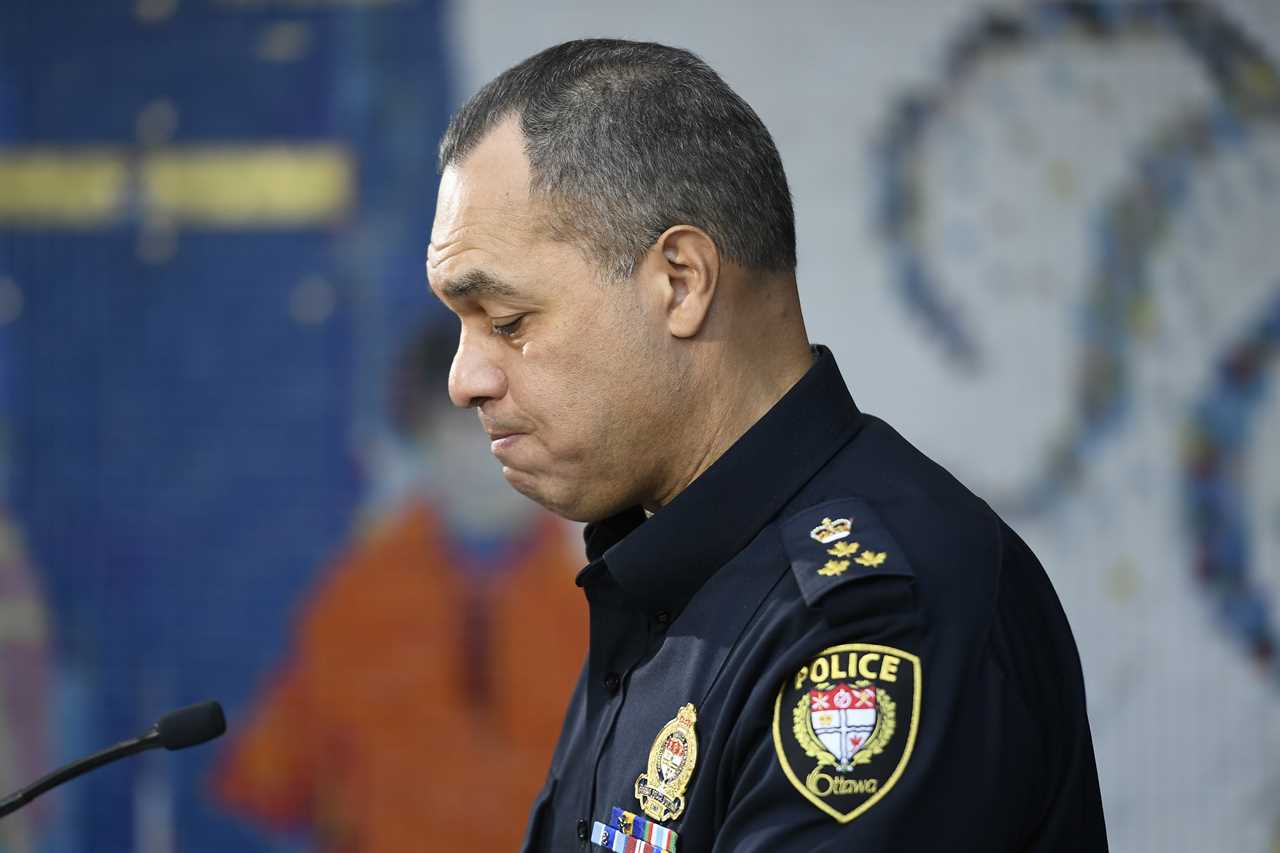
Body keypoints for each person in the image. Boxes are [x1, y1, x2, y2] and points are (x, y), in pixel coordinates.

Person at [426, 38, 1107, 853]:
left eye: (507, 321)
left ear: (680, 280)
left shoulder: (873, 623)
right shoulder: (664, 571)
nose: (467, 378)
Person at [213, 323, 587, 851]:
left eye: (507, 432)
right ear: (421, 444)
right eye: (458, 434)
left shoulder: (602, 599)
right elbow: (271, 782)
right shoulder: (357, 601)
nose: (485, 463)